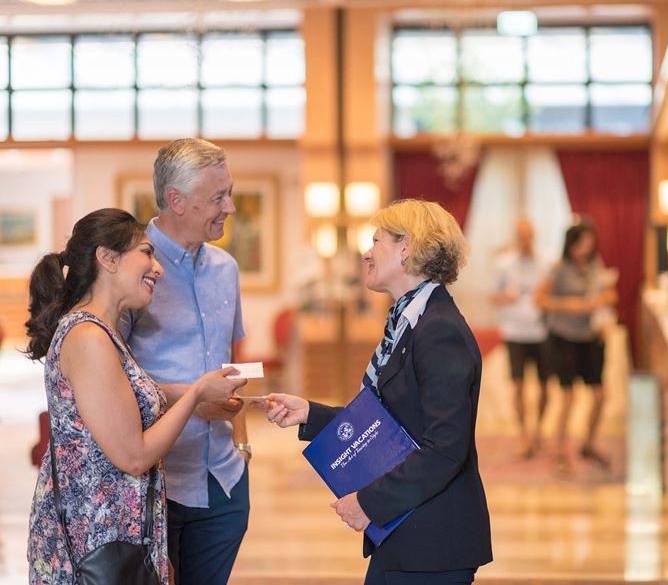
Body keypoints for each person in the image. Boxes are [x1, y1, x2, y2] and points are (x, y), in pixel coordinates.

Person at [260, 199, 492, 584]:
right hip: (407, 531)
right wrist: (309, 413)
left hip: (433, 539)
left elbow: (446, 448)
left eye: (376, 241)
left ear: (407, 248)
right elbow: (388, 422)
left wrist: (369, 503)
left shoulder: (439, 330)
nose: (365, 254)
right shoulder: (409, 320)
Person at [25, 208, 246, 584]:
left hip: (116, 537)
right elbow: (133, 456)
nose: (157, 269)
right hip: (96, 542)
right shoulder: (88, 338)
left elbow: (124, 397)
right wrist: (194, 395)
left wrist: (189, 395)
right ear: (107, 258)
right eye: (146, 252)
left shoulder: (102, 332)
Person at [120, 138, 251, 585]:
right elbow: (108, 378)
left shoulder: (226, 268)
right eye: (218, 197)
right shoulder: (129, 269)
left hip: (225, 482)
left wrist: (245, 449)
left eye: (228, 193)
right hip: (156, 483)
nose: (230, 207)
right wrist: (192, 399)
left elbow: (232, 366)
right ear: (175, 200)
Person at [534, 220, 617, 475]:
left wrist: (601, 300)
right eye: (581, 244)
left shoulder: (595, 265)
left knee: (600, 395)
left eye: (589, 244)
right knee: (568, 397)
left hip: (591, 337)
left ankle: (588, 443)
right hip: (564, 338)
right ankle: (560, 453)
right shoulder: (559, 269)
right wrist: (570, 304)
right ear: (571, 245)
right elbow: (539, 299)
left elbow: (610, 294)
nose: (586, 249)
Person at [489, 218, 553, 458]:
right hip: (515, 331)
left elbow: (553, 292)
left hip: (542, 331)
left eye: (529, 236)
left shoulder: (547, 261)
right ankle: (524, 434)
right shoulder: (503, 264)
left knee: (545, 386)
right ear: (516, 238)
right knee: (518, 386)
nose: (526, 241)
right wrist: (507, 296)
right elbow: (493, 296)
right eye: (521, 236)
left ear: (534, 237)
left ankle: (538, 429)